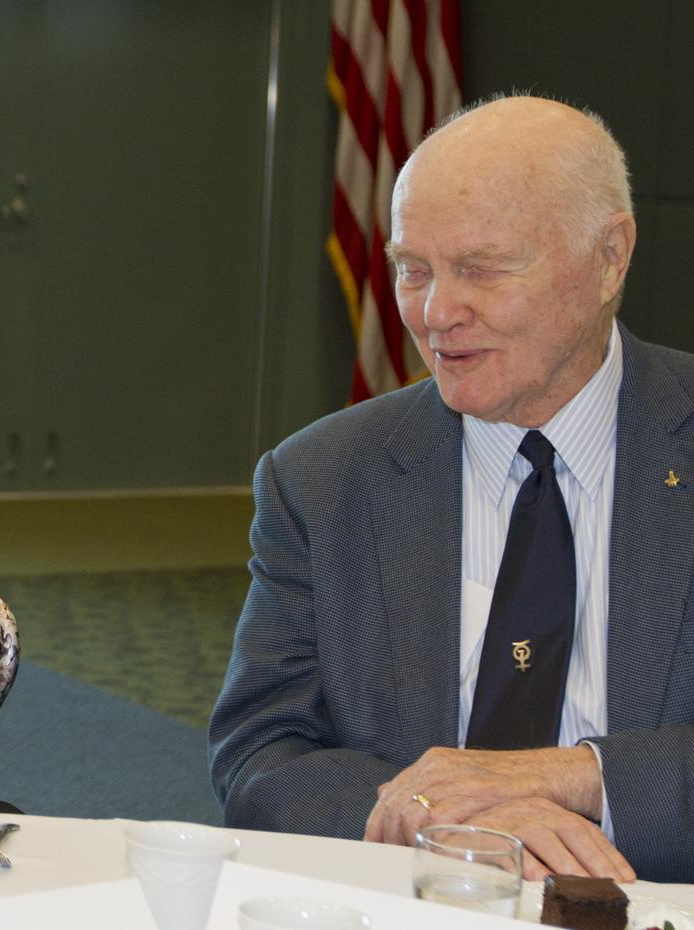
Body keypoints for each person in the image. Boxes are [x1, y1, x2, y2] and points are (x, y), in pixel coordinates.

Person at [209, 95, 694, 884]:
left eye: (481, 269)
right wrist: (449, 823)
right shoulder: (324, 480)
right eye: (413, 270)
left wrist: (572, 777)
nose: (436, 313)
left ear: (611, 258)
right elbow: (260, 754)